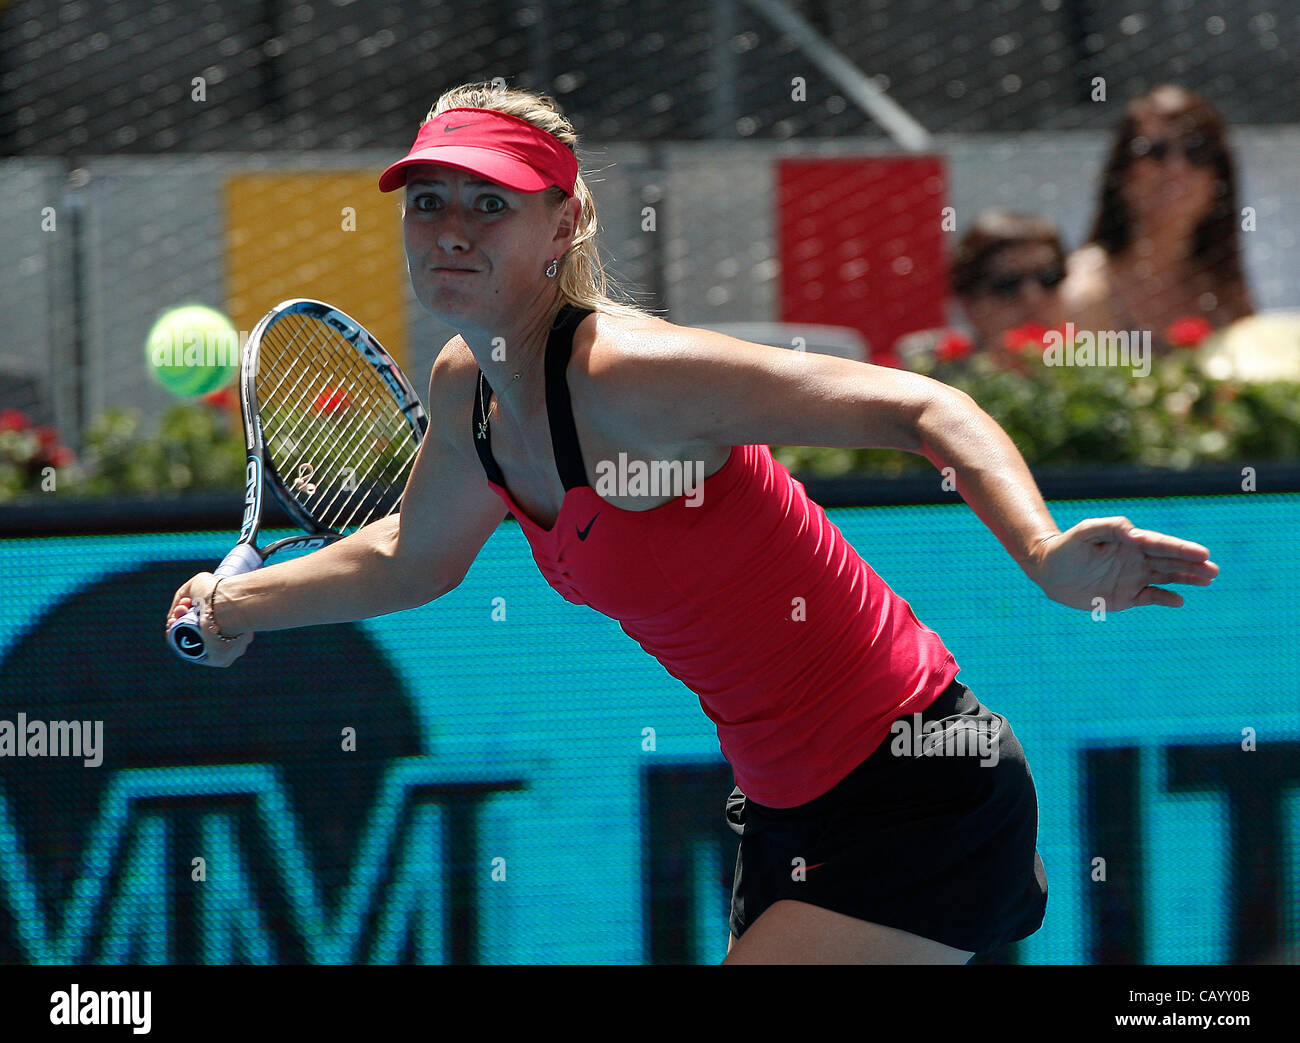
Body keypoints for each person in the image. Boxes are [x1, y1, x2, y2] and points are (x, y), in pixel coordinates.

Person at [166, 82, 1220, 965]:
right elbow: (408, 553)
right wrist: (235, 600)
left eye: (491, 205)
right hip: (788, 814)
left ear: (563, 222)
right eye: (428, 201)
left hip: (917, 782)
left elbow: (921, 404)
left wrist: (1042, 551)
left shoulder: (631, 377)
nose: (448, 226)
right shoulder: (466, 391)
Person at [1061, 84, 1255, 342]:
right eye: (1156, 151)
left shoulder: (1224, 293)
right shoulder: (1085, 292)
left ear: (1218, 180)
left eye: (1197, 152)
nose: (1177, 167)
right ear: (1122, 175)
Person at [951, 209, 1068, 363]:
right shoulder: (931, 377)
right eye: (1008, 284)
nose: (1033, 298)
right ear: (968, 302)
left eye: (1049, 278)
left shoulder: (1095, 369)